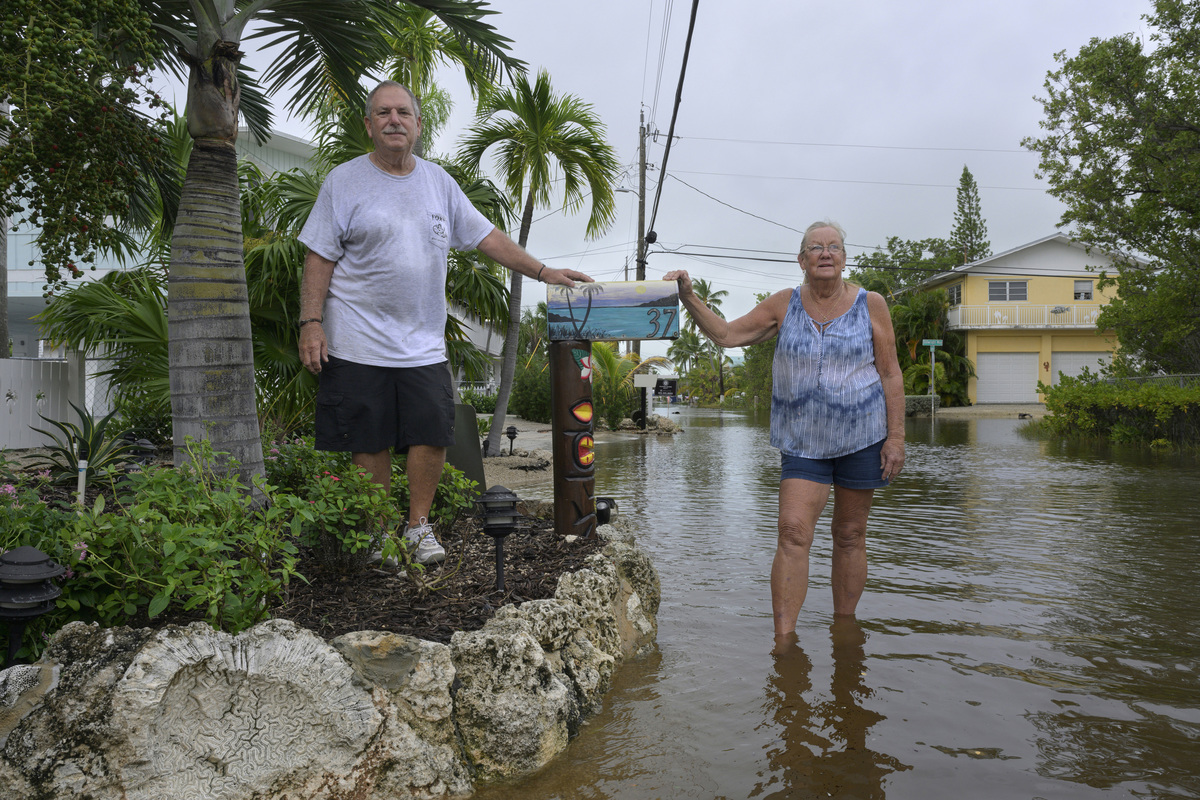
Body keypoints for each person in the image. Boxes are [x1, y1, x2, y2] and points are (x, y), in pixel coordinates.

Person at [298, 80, 591, 565]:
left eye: (403, 112)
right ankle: (377, 537)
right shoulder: (343, 182)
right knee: (367, 440)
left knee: (430, 434)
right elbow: (318, 258)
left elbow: (488, 238)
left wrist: (543, 271)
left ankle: (417, 529)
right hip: (355, 339)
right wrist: (311, 321)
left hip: (423, 343)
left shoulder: (439, 183)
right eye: (383, 113)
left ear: (417, 124)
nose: (394, 120)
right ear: (368, 125)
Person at [664, 220, 904, 638]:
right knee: (792, 532)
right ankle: (784, 641)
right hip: (802, 441)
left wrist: (896, 437)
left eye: (833, 247)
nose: (825, 253)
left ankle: (844, 632)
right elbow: (725, 335)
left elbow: (889, 372)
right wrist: (688, 297)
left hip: (863, 436)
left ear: (845, 259)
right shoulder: (783, 304)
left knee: (849, 534)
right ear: (801, 260)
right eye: (815, 247)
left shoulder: (872, 304)